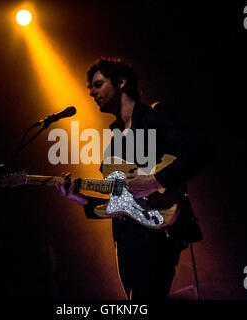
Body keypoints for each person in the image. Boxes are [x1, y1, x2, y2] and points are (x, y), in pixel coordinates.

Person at [56, 58, 211, 300]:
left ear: (121, 82)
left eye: (98, 85)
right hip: (126, 239)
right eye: (91, 88)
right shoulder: (114, 141)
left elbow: (199, 152)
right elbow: (118, 201)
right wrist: (79, 198)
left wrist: (154, 181)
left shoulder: (154, 116)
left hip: (158, 231)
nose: (92, 93)